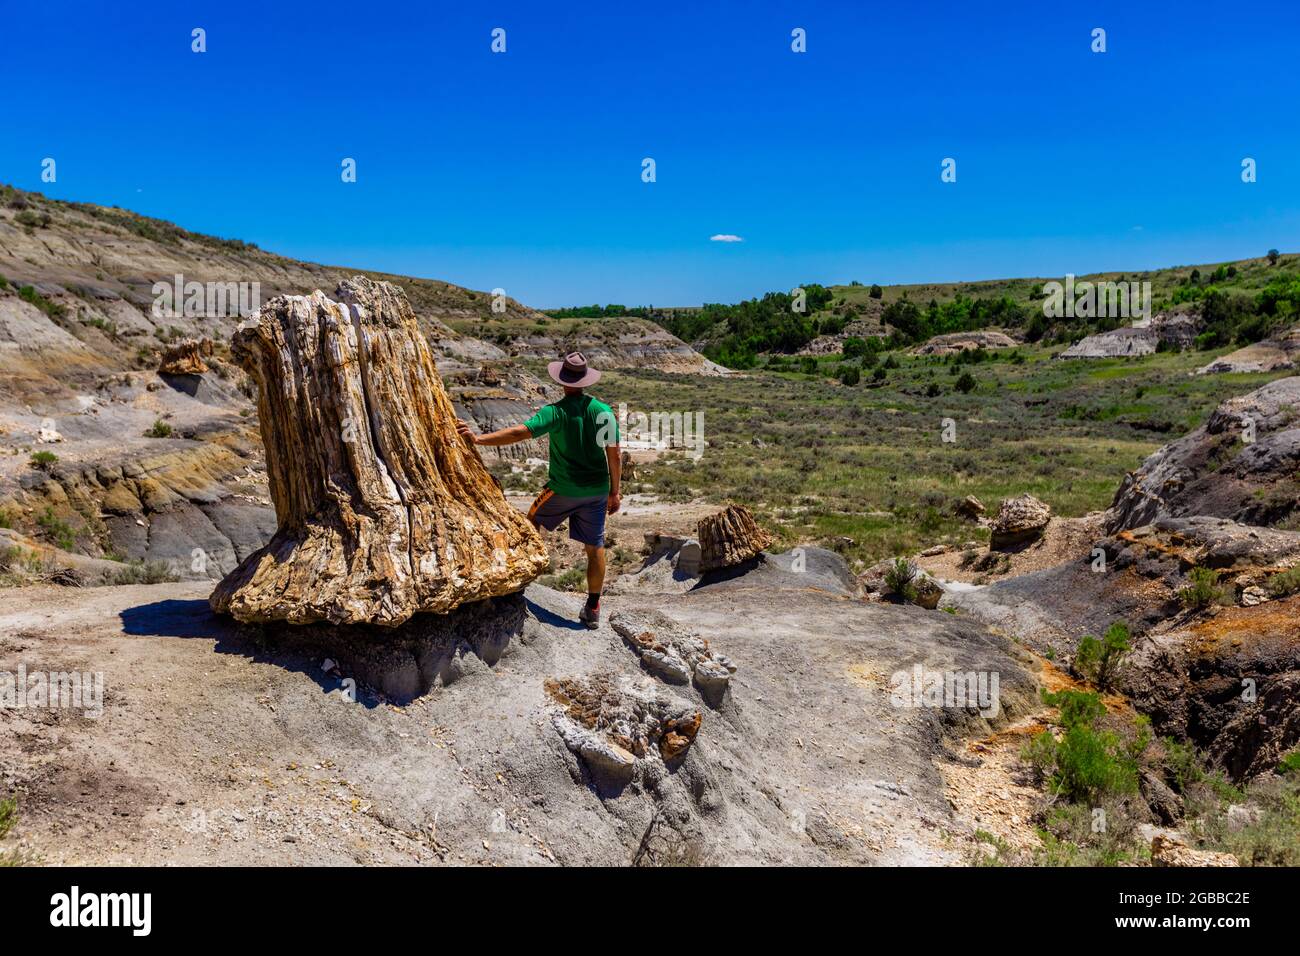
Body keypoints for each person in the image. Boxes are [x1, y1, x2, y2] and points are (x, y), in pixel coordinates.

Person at [456, 351, 621, 628]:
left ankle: (520, 582)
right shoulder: (603, 412)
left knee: (530, 521)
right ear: (586, 381)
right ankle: (593, 608)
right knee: (595, 548)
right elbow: (614, 454)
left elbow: (520, 432)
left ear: (562, 381)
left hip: (562, 489)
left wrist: (479, 440)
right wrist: (614, 492)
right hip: (596, 491)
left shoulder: (554, 412)